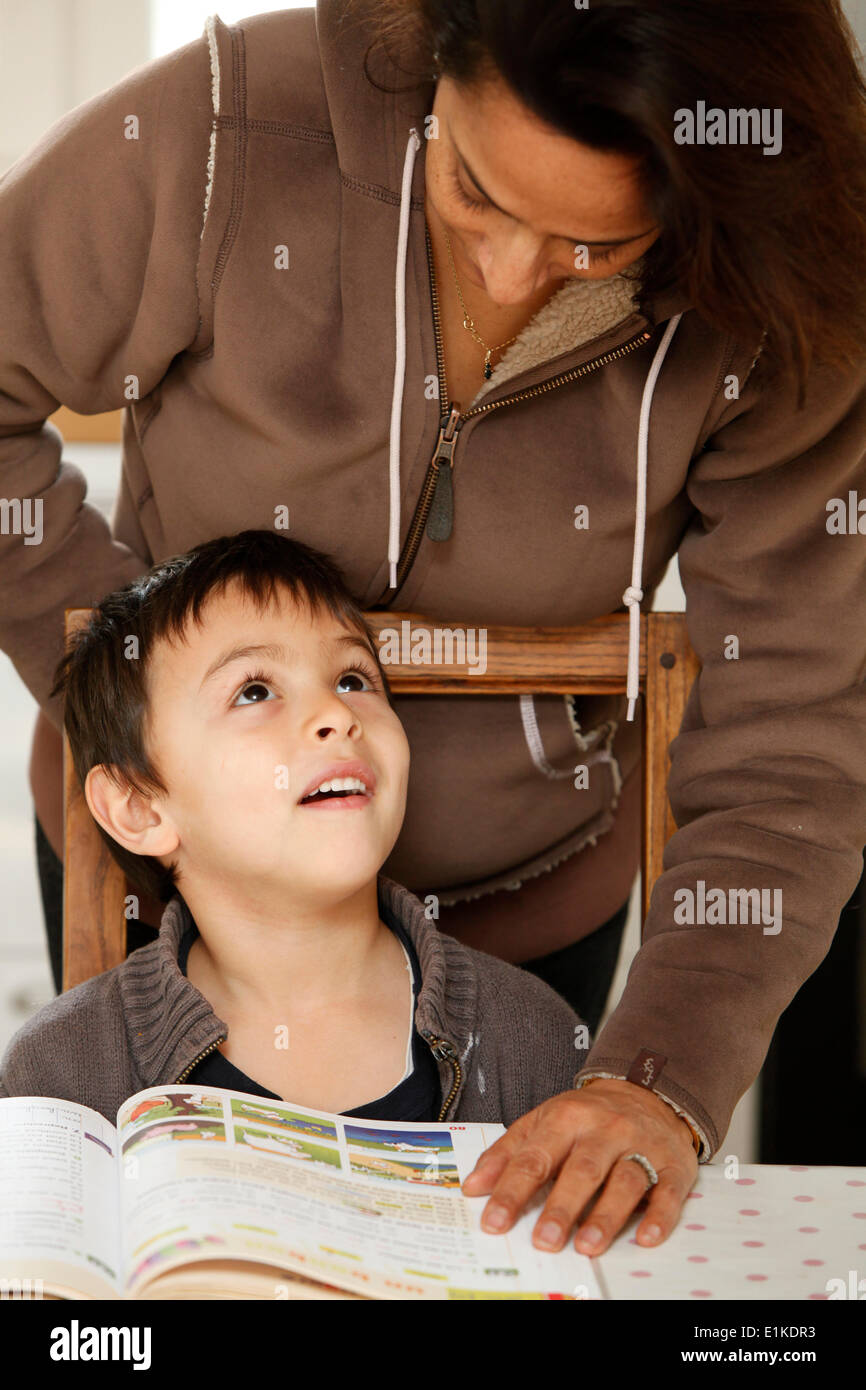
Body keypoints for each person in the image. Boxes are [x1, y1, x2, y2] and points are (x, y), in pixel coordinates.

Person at [2, 0, 865, 1258]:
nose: (510, 279)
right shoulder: (223, 128)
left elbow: (793, 726)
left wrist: (660, 1073)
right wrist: (132, 688)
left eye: (594, 246)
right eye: (473, 187)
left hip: (535, 901)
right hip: (162, 890)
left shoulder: (782, 294)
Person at [0, 528, 600, 1138]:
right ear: (139, 807)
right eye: (254, 691)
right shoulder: (60, 1070)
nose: (338, 716)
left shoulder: (534, 1041)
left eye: (353, 680)